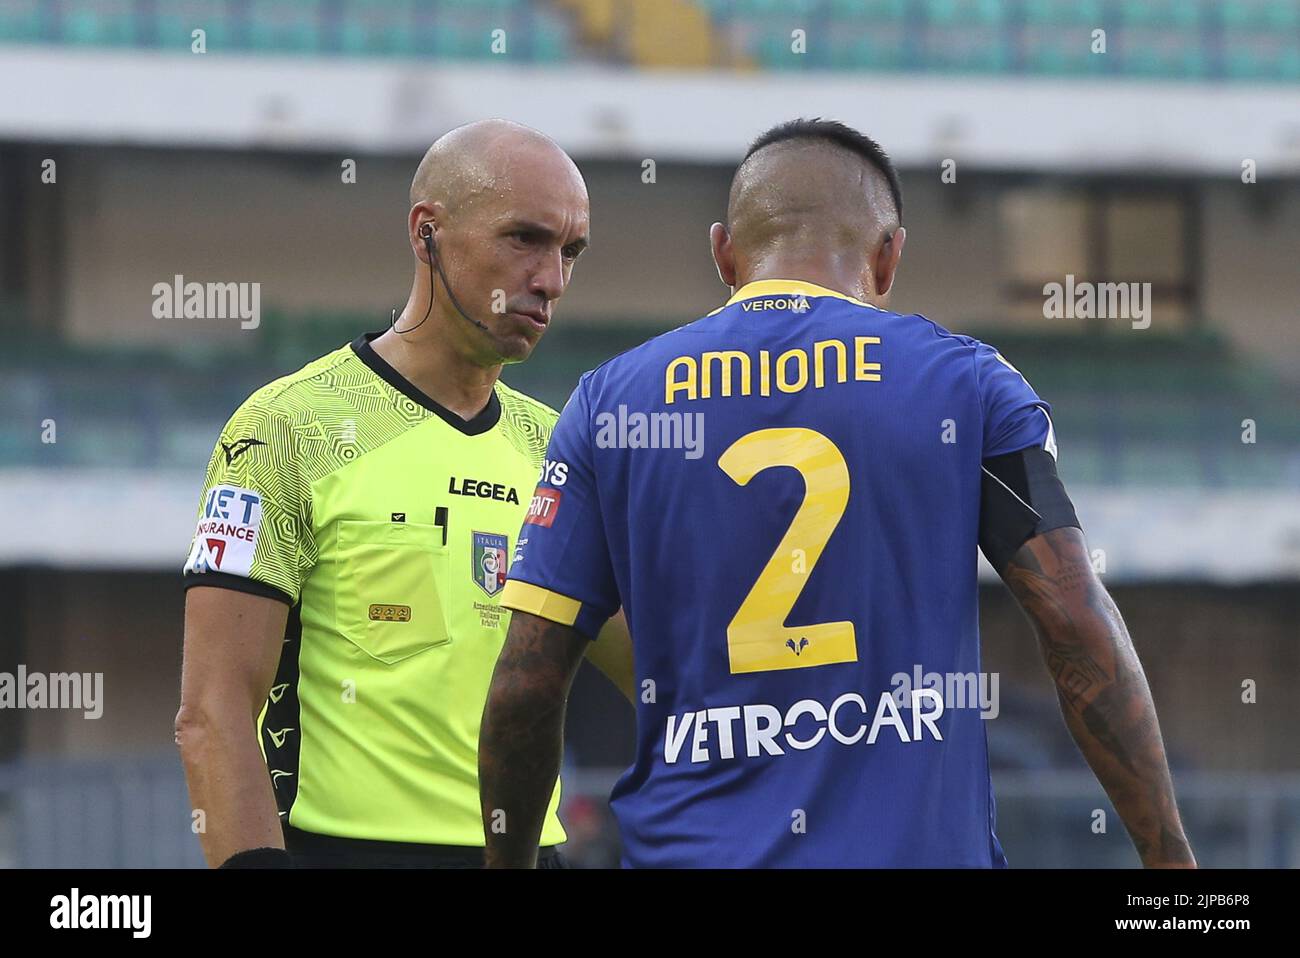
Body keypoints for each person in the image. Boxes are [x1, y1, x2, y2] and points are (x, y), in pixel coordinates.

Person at [479, 118, 1196, 868]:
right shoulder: (966, 384)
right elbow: (1075, 620)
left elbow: (527, 681)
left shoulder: (608, 405)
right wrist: (1171, 862)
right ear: (889, 258)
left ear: (724, 252)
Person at [176, 119, 631, 869]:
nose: (551, 279)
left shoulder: (561, 448)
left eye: (570, 251)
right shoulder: (286, 428)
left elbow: (665, 674)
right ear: (428, 233)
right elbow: (213, 711)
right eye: (525, 239)